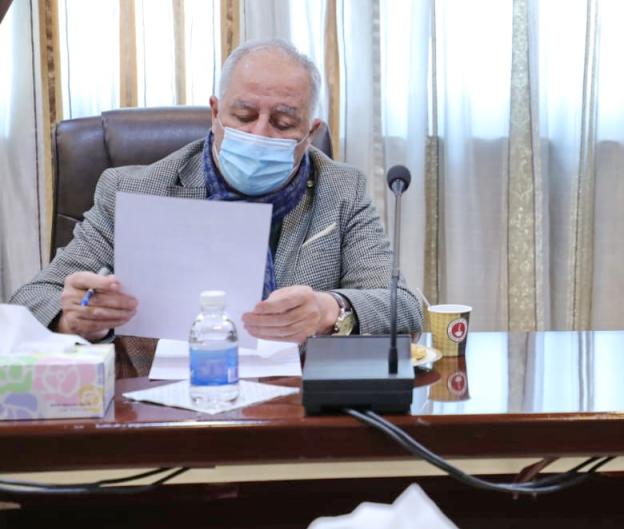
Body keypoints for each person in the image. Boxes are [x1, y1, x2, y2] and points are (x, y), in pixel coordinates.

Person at [9, 38, 422, 343]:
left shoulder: (341, 189)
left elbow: (403, 305)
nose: (259, 133)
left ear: (310, 133)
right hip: (162, 400)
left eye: (282, 123)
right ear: (215, 113)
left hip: (297, 403)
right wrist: (75, 318)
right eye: (243, 115)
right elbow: (31, 299)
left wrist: (330, 310)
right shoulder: (133, 190)